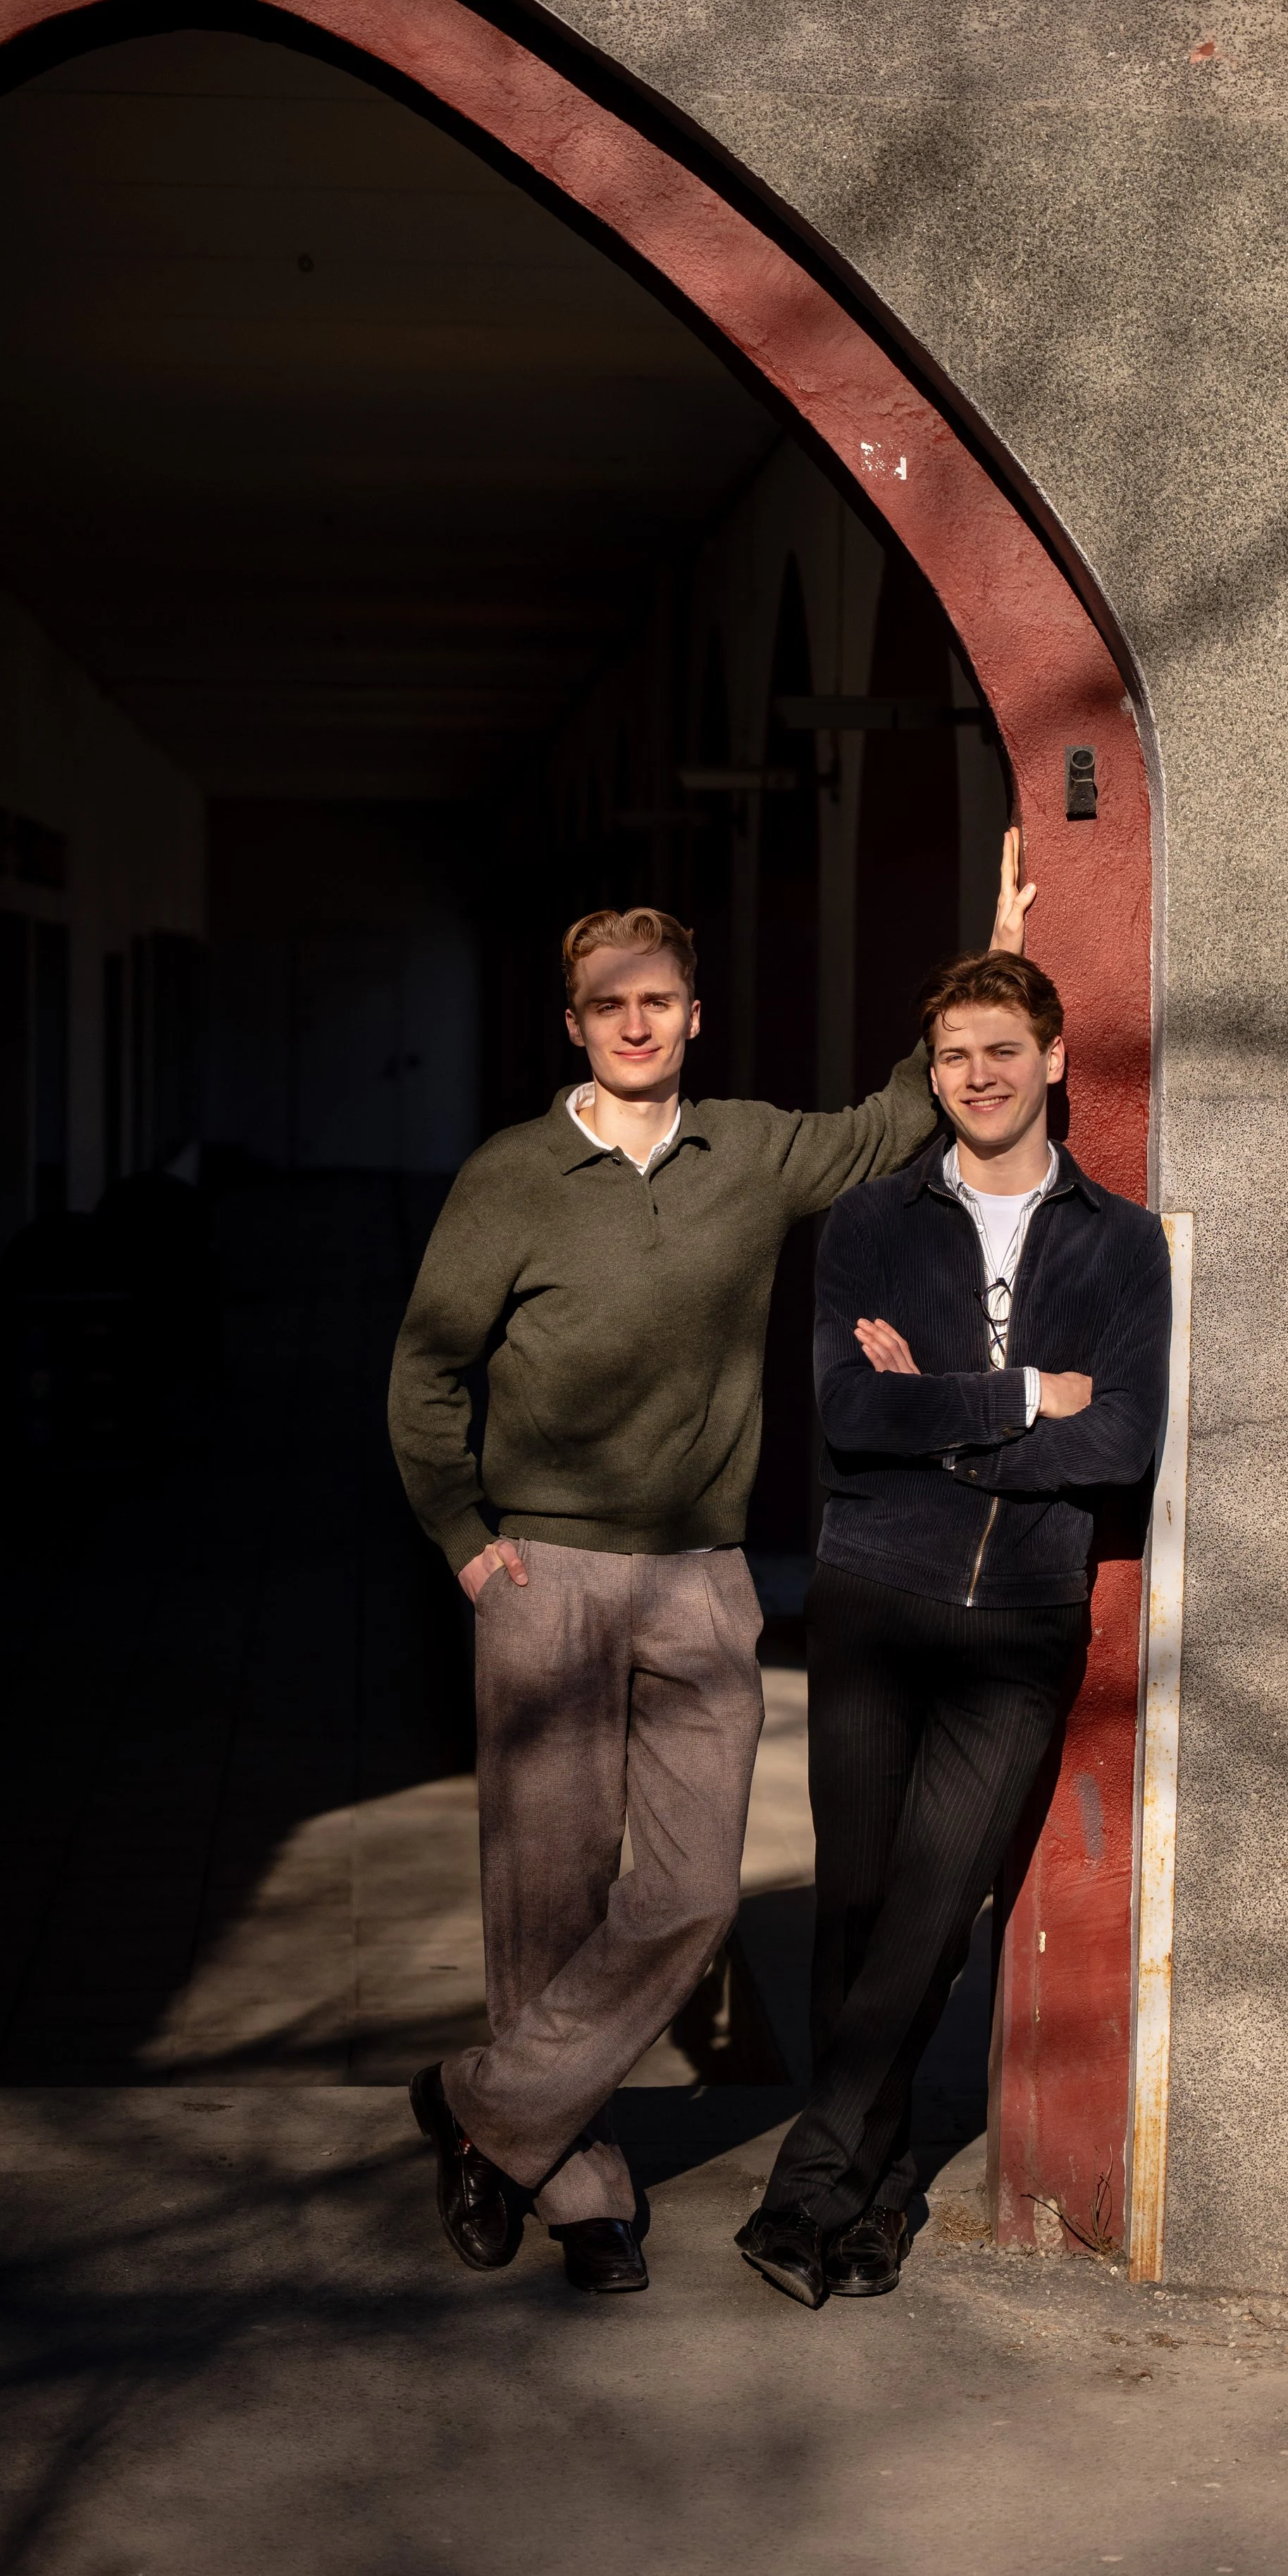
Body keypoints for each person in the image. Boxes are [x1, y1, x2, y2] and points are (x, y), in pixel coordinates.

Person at [389, 844, 1033, 2295]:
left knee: (684, 1898)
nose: (635, 1022)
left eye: (659, 999)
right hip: (541, 1573)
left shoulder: (745, 1149)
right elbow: (427, 1371)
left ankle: (482, 2113)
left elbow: (888, 1121)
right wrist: (464, 1541)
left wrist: (979, 961)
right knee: (543, 1901)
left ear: (693, 1015)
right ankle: (572, 2182)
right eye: (609, 1002)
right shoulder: (510, 1177)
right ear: (574, 1022)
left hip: (700, 1577)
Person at [734, 940, 1171, 2308]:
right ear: (932, 1079)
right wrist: (1018, 1397)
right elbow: (851, 1416)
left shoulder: (1120, 1243)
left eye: (999, 1050)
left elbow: (1120, 1440)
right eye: (950, 1057)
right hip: (870, 1601)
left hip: (1018, 1624)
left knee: (931, 1911)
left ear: (1052, 1061)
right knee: (857, 1911)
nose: (974, 1076)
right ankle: (870, 2199)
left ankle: (805, 2197)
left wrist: (951, 1412)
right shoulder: (867, 1223)